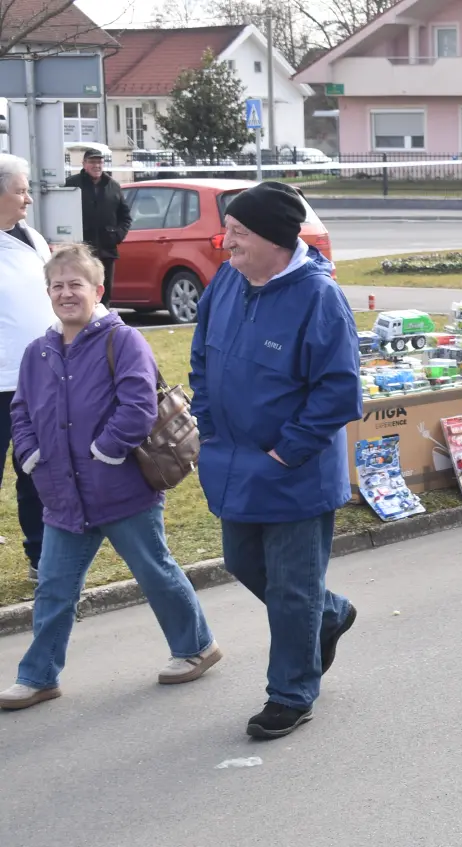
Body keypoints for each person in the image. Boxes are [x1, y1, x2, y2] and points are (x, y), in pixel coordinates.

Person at [0, 244, 220, 711]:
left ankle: (196, 647)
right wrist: (32, 453)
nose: (65, 294)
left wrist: (107, 450)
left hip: (121, 490)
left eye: (75, 284)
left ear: (97, 289)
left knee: (154, 572)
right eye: (57, 286)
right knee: (54, 588)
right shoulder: (38, 352)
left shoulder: (122, 340)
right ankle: (38, 677)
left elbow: (139, 405)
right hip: (62, 496)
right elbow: (20, 411)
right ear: (47, 293)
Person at [189, 181, 362, 739]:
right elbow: (200, 360)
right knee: (243, 562)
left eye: (238, 233)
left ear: (274, 240)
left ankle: (290, 692)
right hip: (234, 462)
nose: (225, 242)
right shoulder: (226, 286)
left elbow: (339, 391)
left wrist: (287, 450)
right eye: (229, 230)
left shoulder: (318, 298)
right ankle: (328, 612)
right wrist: (210, 429)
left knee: (291, 588)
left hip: (295, 470)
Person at [0, 153, 50, 582]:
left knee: (35, 471)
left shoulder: (32, 238)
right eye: (21, 190)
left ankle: (41, 558)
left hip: (36, 382)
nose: (28, 198)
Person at [63, 149, 131, 304]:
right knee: (81, 290)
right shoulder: (72, 184)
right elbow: (61, 212)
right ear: (84, 164)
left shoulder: (113, 186)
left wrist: (117, 235)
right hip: (80, 250)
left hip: (107, 250)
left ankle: (103, 325)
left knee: (103, 292)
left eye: (99, 162)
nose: (97, 165)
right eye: (92, 162)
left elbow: (125, 216)